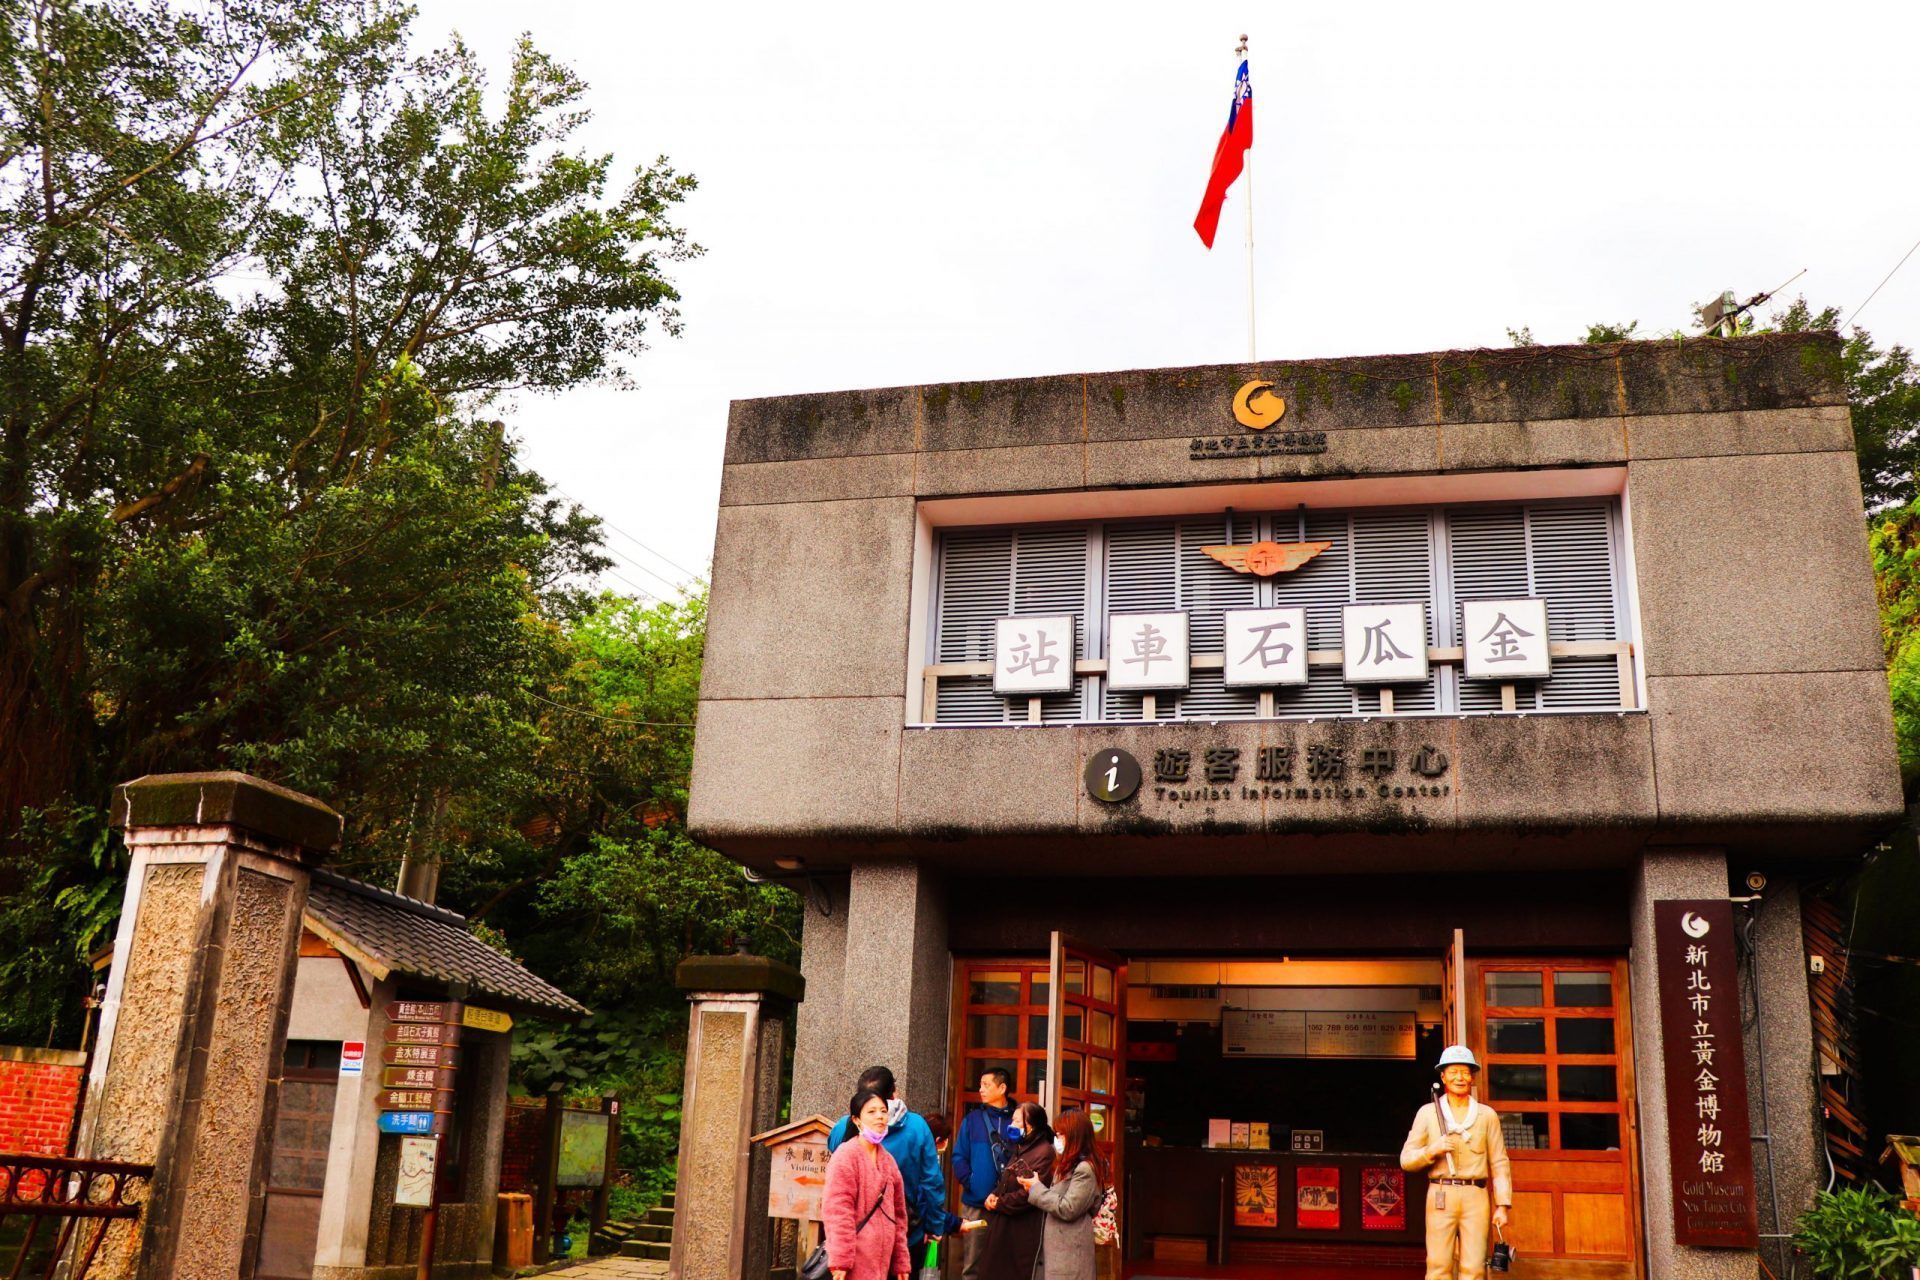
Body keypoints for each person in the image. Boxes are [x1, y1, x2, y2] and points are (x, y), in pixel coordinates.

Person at [826, 1066, 956, 1271]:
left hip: (855, 1238)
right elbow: (932, 1182)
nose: (880, 1119)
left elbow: (838, 1201)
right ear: (894, 1093)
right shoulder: (916, 1126)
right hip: (902, 1235)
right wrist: (934, 1225)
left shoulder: (844, 1127)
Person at [1400, 1045, 1513, 1280]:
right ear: (1442, 1076)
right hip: (1441, 1195)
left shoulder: (1486, 1115)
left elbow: (1500, 1162)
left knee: (1474, 1266)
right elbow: (1406, 1160)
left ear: (1472, 1077)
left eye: (1465, 1072)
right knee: (1438, 1264)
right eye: (1453, 1072)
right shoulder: (1428, 1113)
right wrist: (1432, 1150)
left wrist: (1502, 1204)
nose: (1460, 1077)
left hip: (1476, 1195)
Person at [824, 1088, 911, 1280]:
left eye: (883, 1111)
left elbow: (899, 1215)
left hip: (882, 1263)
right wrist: (841, 1258)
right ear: (856, 1120)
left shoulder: (888, 1161)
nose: (879, 1116)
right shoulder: (846, 1156)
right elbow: (838, 1210)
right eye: (871, 1112)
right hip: (853, 1261)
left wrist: (901, 1261)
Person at [1019, 1108, 1106, 1280]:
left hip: (1071, 1255)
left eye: (1060, 1134)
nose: (1057, 1139)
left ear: (1074, 1136)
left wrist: (1036, 1188)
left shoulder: (1085, 1168)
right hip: (1059, 1252)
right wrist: (1034, 1186)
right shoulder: (1066, 1165)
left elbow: (1068, 1208)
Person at [974, 1101, 1054, 1280]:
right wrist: (994, 1194)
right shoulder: (1021, 1148)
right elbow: (1007, 1180)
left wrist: (1000, 1203)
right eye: (1012, 1120)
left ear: (1031, 1125)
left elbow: (1031, 1192)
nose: (1012, 1125)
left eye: (1017, 1121)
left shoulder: (1044, 1152)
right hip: (1004, 1225)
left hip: (1022, 1231)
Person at [951, 1068, 1016, 1280]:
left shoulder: (1018, 1119)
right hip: (975, 1205)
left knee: (1008, 1264)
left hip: (1009, 1205)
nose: (981, 1090)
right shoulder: (973, 1120)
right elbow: (958, 1156)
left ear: (1002, 1087)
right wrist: (972, 1182)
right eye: (980, 1085)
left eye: (986, 1085)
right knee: (972, 1266)